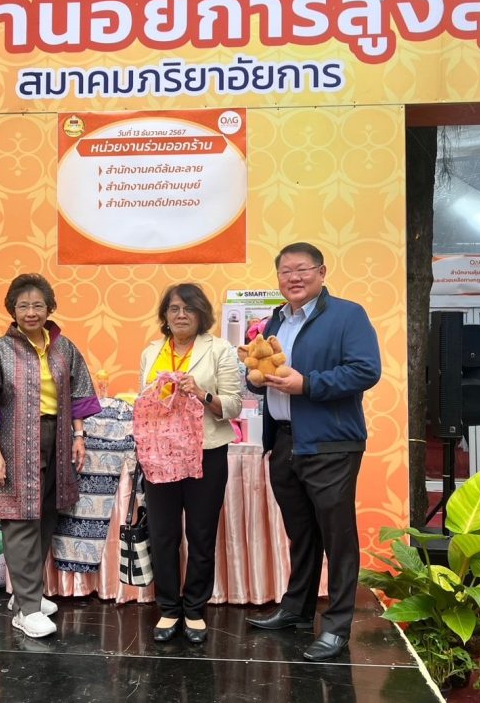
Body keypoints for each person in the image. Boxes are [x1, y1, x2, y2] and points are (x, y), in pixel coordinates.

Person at [244, 242, 381, 663]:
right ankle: (297, 610)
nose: (294, 278)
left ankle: (337, 626)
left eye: (302, 269)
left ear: (321, 273)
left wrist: (308, 384)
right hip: (285, 440)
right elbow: (264, 376)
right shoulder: (274, 321)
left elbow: (365, 370)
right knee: (301, 533)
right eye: (286, 271)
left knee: (338, 536)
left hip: (331, 442)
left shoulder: (347, 315)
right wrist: (254, 376)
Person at [0, 273, 101, 639]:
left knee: (45, 516)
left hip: (57, 438)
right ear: (12, 310)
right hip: (13, 444)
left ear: (49, 308)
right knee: (20, 521)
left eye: (38, 305)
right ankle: (26, 609)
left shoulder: (63, 348)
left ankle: (28, 595)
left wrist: (78, 436)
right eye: (23, 306)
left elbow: (80, 393)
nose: (31, 312)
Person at [137, 283, 242, 644]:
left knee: (201, 533)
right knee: (162, 534)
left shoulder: (220, 349)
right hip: (159, 455)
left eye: (189, 309)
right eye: (174, 309)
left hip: (206, 452)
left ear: (201, 314)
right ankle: (168, 608)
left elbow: (234, 406)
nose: (181, 315)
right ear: (165, 316)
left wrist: (201, 393)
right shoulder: (152, 352)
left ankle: (195, 608)